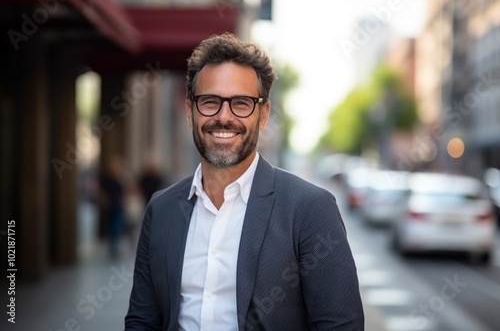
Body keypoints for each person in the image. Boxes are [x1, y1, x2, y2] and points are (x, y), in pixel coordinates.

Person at [125, 33, 364, 330]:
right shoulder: (161, 209)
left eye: (241, 103)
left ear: (263, 115)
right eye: (210, 101)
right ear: (190, 111)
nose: (224, 117)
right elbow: (142, 320)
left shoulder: (310, 209)